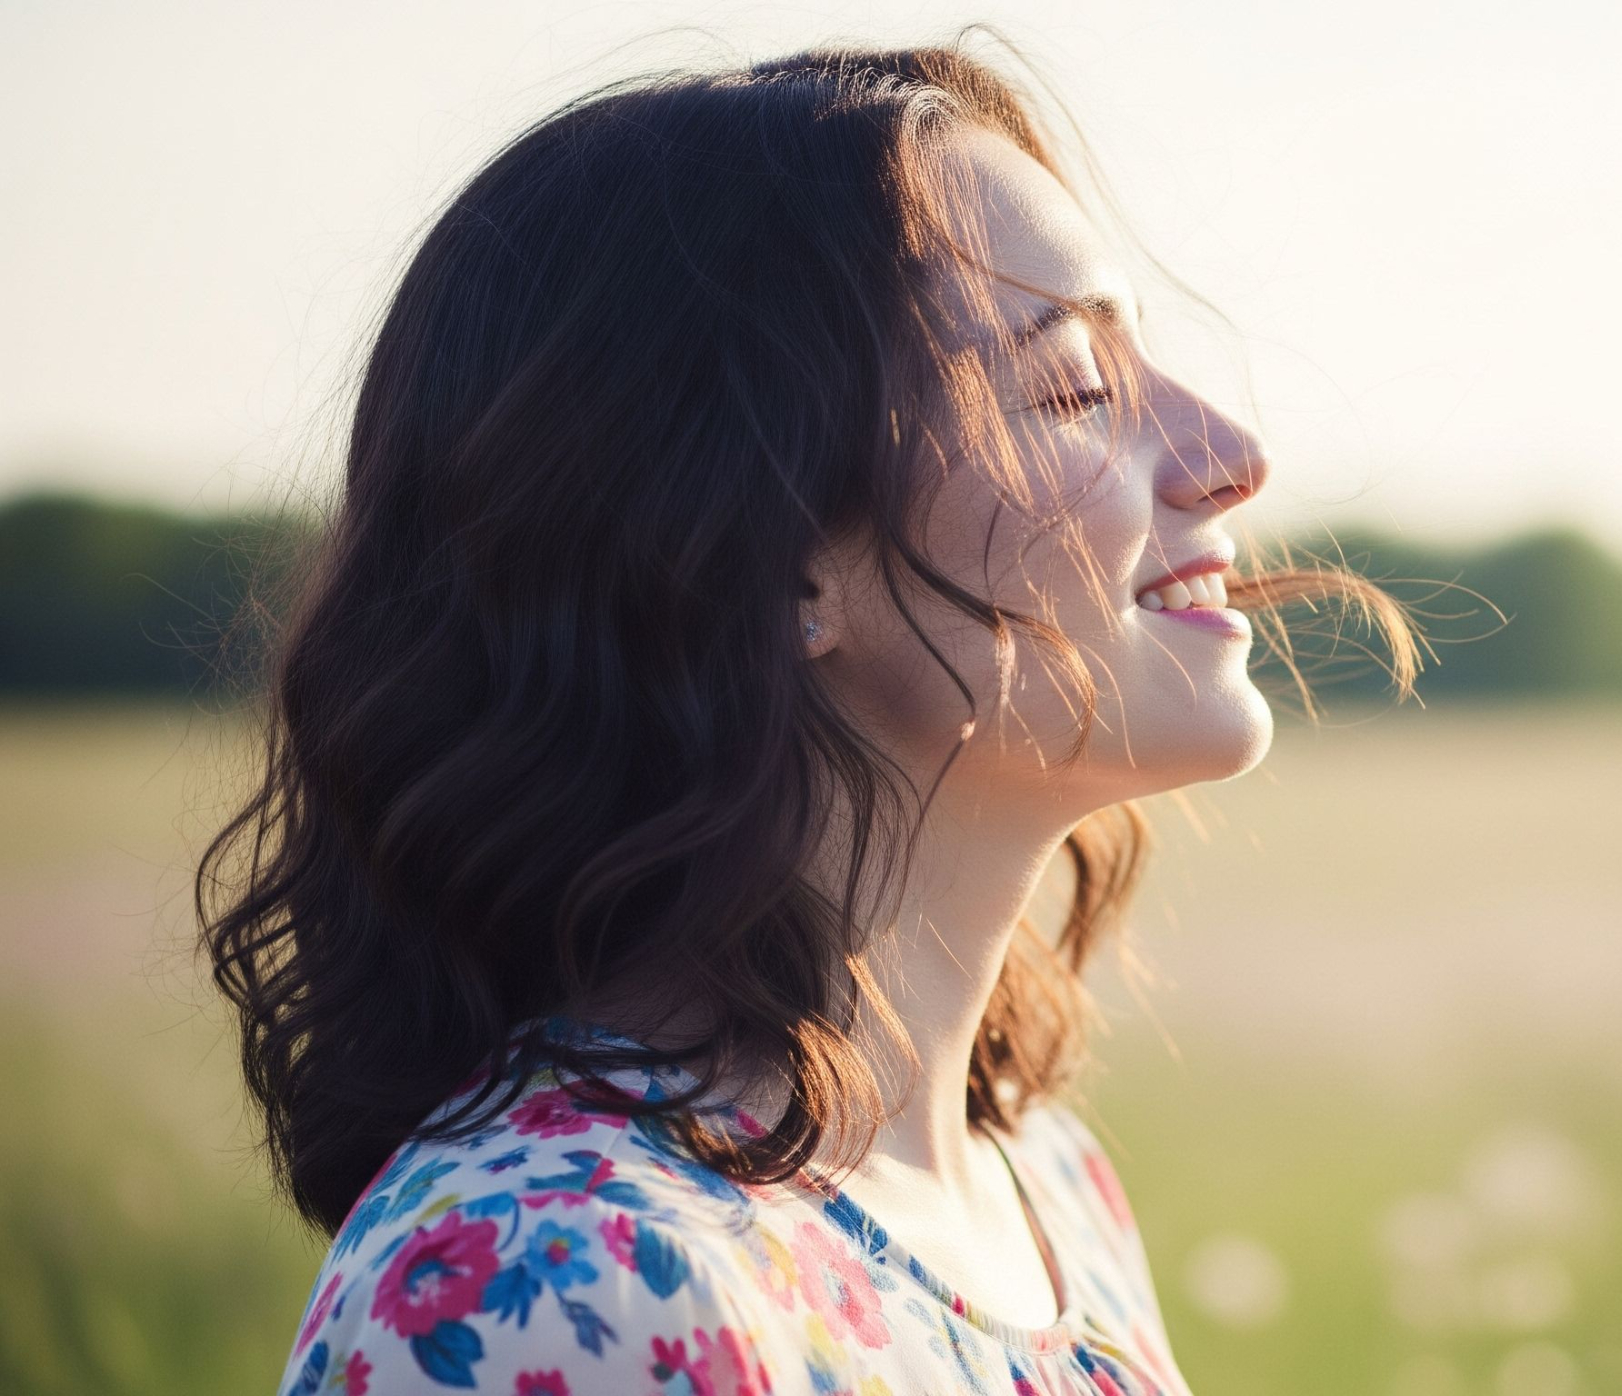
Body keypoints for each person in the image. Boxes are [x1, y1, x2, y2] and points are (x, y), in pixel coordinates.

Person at [197, 39, 1416, 1396]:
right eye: (1076, 387)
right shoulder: (564, 1281)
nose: (1229, 458)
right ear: (767, 558)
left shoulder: (1040, 1184)